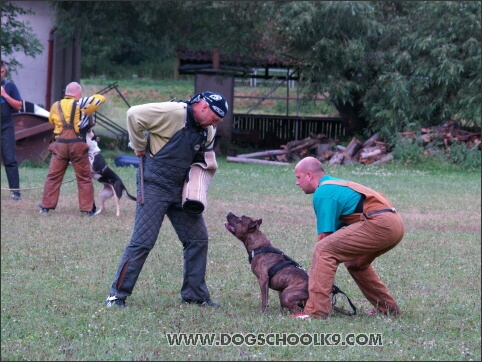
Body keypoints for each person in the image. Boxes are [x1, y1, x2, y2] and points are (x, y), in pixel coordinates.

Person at [105, 91, 228, 309]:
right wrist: (139, 145)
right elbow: (134, 114)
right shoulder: (174, 112)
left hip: (181, 190)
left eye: (217, 121)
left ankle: (194, 295)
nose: (214, 123)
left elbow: (205, 162)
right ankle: (116, 296)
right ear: (202, 106)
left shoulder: (207, 130)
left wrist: (197, 190)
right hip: (154, 184)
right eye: (214, 118)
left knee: (197, 239)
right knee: (143, 241)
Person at [291, 156, 404, 319]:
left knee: (322, 250)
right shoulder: (334, 186)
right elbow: (336, 236)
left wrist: (318, 277)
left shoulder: (323, 192)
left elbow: (324, 240)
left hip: (379, 223)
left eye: (298, 177)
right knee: (356, 263)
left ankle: (316, 312)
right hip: (394, 224)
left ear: (309, 175)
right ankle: (388, 309)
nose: (297, 182)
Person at [38, 81, 105, 215]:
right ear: (78, 93)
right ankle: (88, 209)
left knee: (53, 176)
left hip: (60, 145)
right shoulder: (81, 104)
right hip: (77, 145)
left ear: (66, 93)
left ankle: (45, 207)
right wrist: (85, 102)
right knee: (84, 177)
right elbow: (101, 99)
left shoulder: (55, 105)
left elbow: (51, 121)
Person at [1, 61, 23, 200]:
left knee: (10, 158)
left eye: (2, 72)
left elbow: (19, 105)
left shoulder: (10, 86)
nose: (0, 74)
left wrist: (5, 95)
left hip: (6, 126)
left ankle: (15, 191)